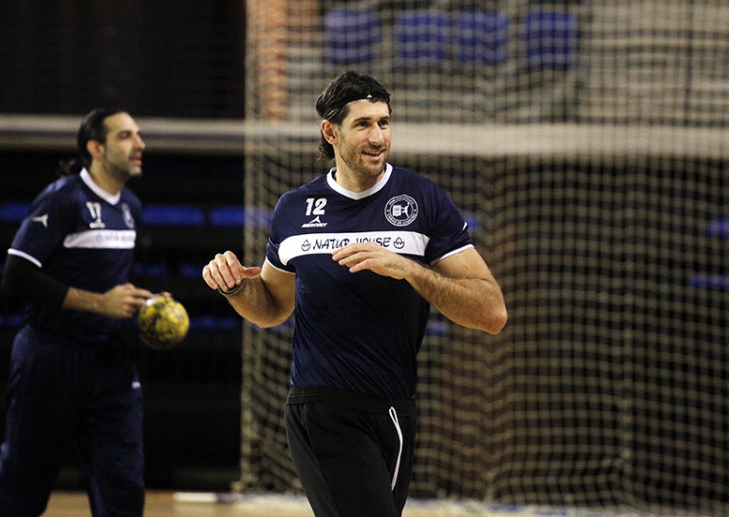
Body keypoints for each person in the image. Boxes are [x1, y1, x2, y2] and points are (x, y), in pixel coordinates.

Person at [202, 71, 507, 516]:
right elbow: (271, 308)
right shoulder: (295, 208)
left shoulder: (422, 200)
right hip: (323, 405)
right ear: (331, 131)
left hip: (395, 409)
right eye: (363, 124)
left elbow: (492, 312)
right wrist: (236, 287)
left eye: (384, 123)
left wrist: (410, 270)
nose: (378, 136)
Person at [0, 108, 154, 517]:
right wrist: (101, 303)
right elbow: (17, 276)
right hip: (51, 358)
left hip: (110, 362)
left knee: (123, 489)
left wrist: (143, 305)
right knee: (18, 490)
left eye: (139, 135)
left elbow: (109, 283)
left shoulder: (129, 206)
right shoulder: (63, 198)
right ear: (96, 148)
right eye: (126, 136)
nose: (140, 145)